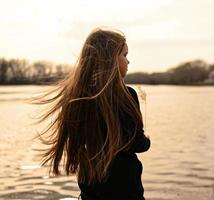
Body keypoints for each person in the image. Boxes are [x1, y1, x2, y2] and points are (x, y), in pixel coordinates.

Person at [35, 28, 151, 199]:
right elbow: (137, 143)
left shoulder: (77, 97)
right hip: (125, 189)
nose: (128, 61)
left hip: (91, 187)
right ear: (110, 59)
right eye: (125, 55)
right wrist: (146, 140)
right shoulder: (126, 95)